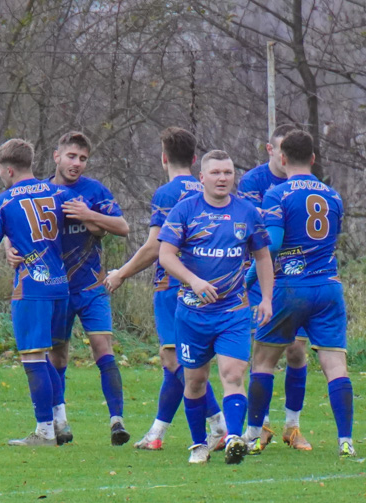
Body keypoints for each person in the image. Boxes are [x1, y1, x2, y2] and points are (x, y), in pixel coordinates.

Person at [104, 127, 227, 451]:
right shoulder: (210, 188)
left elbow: (153, 247)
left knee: (178, 362)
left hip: (174, 285)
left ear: (163, 157)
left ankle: (216, 427)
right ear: (195, 159)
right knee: (180, 362)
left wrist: (121, 274)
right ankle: (162, 433)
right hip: (207, 283)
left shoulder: (167, 193)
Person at [6, 131, 131, 445]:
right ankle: (60, 423)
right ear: (56, 156)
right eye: (71, 156)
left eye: (83, 158)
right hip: (55, 290)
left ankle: (117, 421)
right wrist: (11, 248)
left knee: (103, 347)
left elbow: (123, 227)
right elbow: (21, 228)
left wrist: (92, 216)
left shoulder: (94, 191)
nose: (77, 164)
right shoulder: (42, 193)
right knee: (57, 356)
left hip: (91, 286)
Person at [157, 150, 274, 464]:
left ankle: (234, 438)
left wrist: (266, 298)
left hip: (233, 312)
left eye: (228, 172)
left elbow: (263, 257)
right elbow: (165, 256)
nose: (223, 178)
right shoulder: (184, 211)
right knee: (195, 380)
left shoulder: (247, 212)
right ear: (202, 178)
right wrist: (193, 281)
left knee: (233, 374)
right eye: (216, 173)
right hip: (192, 313)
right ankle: (198, 445)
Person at [248, 130, 355, 458]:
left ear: (282, 158)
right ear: (312, 158)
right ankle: (345, 441)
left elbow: (275, 245)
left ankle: (253, 434)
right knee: (335, 365)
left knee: (263, 360)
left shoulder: (277, 194)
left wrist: (249, 276)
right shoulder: (333, 196)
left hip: (290, 288)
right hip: (328, 287)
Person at [0, 138, 71, 447]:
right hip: (62, 287)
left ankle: (44, 431)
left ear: (8, 170)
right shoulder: (59, 193)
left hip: (31, 287)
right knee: (47, 355)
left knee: (33, 357)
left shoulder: (2, 202)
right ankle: (60, 421)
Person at [238, 123, 312, 451]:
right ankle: (261, 424)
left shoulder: (308, 185)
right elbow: (256, 229)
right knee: (263, 350)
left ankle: (292, 427)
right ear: (272, 151)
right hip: (264, 275)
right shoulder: (254, 182)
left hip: (299, 278)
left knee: (297, 350)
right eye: (281, 151)